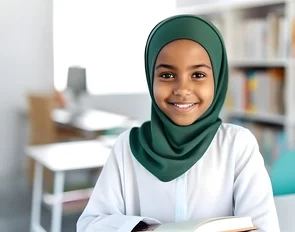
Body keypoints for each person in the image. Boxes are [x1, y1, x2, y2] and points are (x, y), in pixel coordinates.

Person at [77, 14, 280, 232]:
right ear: (150, 78)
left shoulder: (238, 145)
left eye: (198, 74)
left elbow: (263, 227)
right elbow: (90, 224)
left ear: (218, 79)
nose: (182, 89)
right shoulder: (128, 147)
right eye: (166, 75)